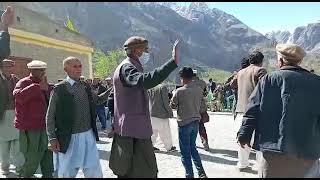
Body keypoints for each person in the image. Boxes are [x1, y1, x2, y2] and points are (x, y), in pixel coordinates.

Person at [237, 44, 320, 178]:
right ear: (300, 61)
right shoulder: (317, 82)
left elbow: (252, 111)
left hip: (273, 150)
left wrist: (244, 135)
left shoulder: (268, 80)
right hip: (308, 151)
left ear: (280, 61)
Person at [109, 36, 179, 178]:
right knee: (140, 171)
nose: (147, 53)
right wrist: (172, 63)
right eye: (145, 50)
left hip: (134, 128)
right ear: (137, 51)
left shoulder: (131, 66)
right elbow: (145, 81)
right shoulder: (127, 68)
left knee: (139, 170)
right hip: (132, 132)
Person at [46, 57, 111, 178]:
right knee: (66, 173)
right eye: (75, 66)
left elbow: (98, 100)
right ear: (66, 69)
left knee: (94, 171)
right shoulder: (59, 89)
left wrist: (112, 89)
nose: (78, 69)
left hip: (88, 135)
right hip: (68, 137)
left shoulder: (85, 86)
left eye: (80, 66)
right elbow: (50, 116)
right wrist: (52, 138)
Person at [13, 60, 53, 178]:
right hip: (30, 127)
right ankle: (25, 175)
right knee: (32, 155)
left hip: (45, 126)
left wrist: (48, 89)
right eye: (40, 70)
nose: (43, 72)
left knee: (47, 152)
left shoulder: (44, 83)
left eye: (43, 70)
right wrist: (36, 87)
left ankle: (48, 174)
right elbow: (18, 97)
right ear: (32, 70)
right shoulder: (23, 82)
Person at [170, 67, 207, 178]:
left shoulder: (179, 91)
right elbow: (203, 107)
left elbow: (172, 105)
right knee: (193, 148)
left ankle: (189, 175)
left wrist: (173, 95)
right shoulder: (199, 90)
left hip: (184, 123)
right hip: (195, 122)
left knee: (185, 152)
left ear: (182, 78)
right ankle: (201, 173)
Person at [234, 51, 267, 171]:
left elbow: (232, 85)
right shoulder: (260, 70)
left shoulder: (241, 72)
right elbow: (265, 88)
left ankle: (243, 164)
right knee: (259, 140)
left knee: (242, 139)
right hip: (256, 111)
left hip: (241, 110)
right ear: (261, 61)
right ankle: (260, 167)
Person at [0, 60, 24, 175]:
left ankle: (19, 167)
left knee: (17, 143)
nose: (8, 68)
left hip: (16, 114)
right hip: (2, 115)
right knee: (4, 143)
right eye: (6, 66)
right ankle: (5, 167)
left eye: (11, 66)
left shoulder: (16, 80)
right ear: (1, 67)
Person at [148, 83, 176, 152]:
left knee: (153, 132)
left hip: (151, 112)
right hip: (161, 113)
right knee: (165, 132)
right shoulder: (162, 87)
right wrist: (170, 112)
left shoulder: (150, 87)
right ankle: (169, 147)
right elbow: (165, 102)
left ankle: (150, 146)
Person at [192, 70, 210, 151]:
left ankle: (192, 143)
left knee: (191, 126)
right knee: (201, 126)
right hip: (201, 106)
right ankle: (205, 142)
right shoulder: (202, 82)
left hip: (191, 107)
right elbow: (205, 93)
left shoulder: (188, 83)